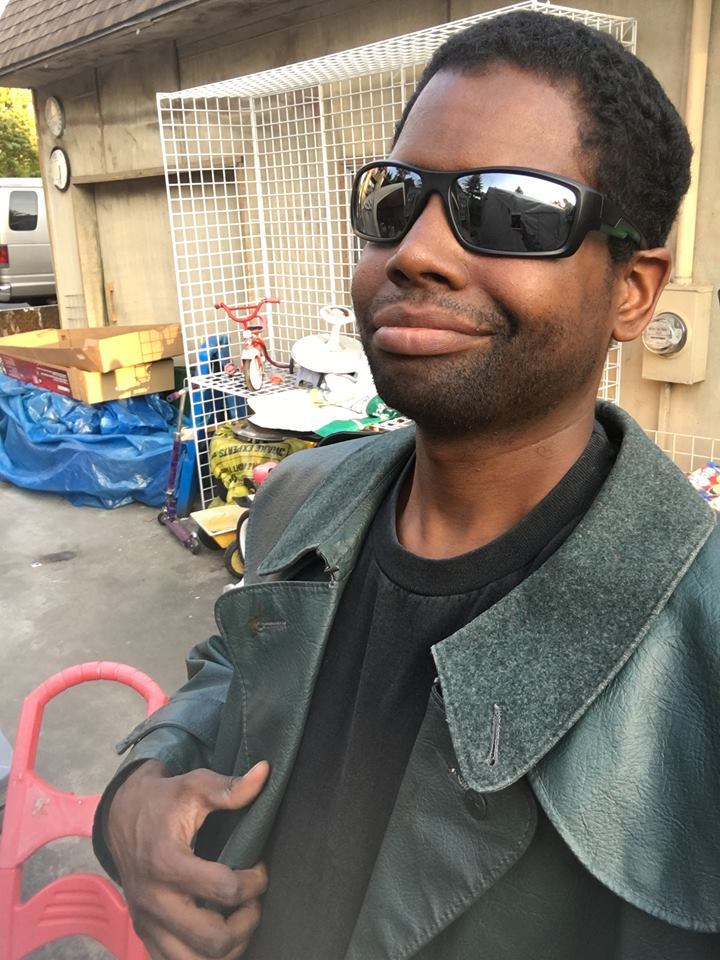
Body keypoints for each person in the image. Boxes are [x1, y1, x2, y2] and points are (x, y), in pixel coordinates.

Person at [94, 11, 720, 960]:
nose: (415, 252)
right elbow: (235, 667)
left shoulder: (701, 654)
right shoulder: (302, 498)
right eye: (394, 201)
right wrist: (140, 788)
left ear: (633, 288)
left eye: (508, 211)